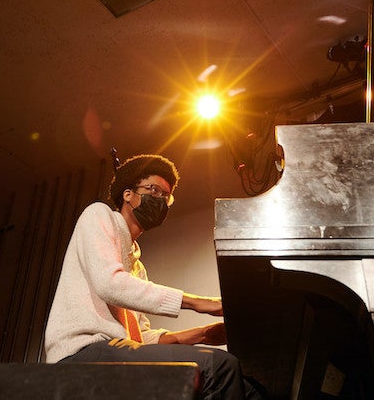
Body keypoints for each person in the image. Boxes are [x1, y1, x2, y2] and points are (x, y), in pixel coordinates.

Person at [44, 154, 261, 399]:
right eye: (153, 190)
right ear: (128, 194)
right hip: (82, 353)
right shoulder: (98, 215)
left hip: (117, 351)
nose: (160, 200)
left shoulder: (136, 267)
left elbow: (141, 339)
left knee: (250, 390)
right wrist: (198, 302)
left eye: (166, 196)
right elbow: (109, 283)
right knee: (220, 366)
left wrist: (204, 334)